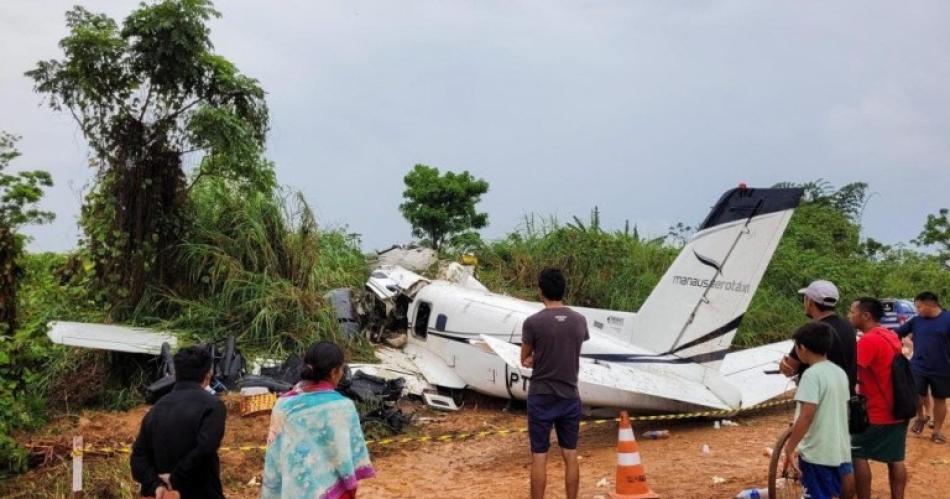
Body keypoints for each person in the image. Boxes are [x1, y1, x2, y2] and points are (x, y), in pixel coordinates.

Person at [261, 341, 375, 499]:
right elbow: (350, 456)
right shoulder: (343, 407)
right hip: (335, 493)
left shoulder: (283, 406)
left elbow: (276, 455)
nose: (342, 373)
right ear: (334, 371)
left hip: (296, 490)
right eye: (342, 369)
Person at [520, 268, 589, 499]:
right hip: (570, 395)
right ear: (563, 291)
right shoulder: (580, 321)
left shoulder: (533, 322)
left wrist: (536, 358)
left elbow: (525, 359)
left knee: (539, 456)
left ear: (541, 291)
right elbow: (572, 348)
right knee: (570, 454)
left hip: (541, 396)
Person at [131, 346, 226, 499]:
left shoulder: (156, 409)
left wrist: (156, 485)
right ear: (208, 375)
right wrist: (175, 478)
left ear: (176, 374)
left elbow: (138, 457)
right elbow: (206, 447)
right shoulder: (212, 406)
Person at [784, 322, 853, 499]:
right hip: (839, 449)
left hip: (817, 453)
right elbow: (843, 410)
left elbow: (807, 415)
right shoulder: (839, 372)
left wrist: (790, 447)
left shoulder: (811, 375)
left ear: (802, 348)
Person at [848, 298, 908, 499]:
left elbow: (853, 371)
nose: (849, 315)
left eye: (852, 312)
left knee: (857, 453)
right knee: (896, 457)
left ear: (865, 315)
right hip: (899, 407)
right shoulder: (890, 335)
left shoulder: (868, 340)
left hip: (876, 411)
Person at [780, 280, 858, 395]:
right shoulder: (848, 326)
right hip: (844, 397)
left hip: (818, 398)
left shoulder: (812, 331)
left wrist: (784, 365)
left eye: (805, 298)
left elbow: (790, 368)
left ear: (810, 302)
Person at [896, 291, 950, 443]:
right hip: (919, 366)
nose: (917, 310)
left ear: (930, 304)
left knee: (940, 399)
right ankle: (921, 416)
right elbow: (897, 333)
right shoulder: (916, 321)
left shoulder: (948, 319)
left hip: (943, 368)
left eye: (919, 307)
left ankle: (937, 431)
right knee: (915, 395)